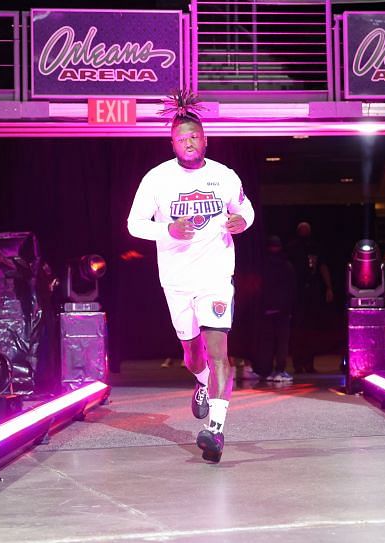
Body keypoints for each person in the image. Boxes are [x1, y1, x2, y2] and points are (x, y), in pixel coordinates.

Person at [127, 92, 254, 463]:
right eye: (181, 138)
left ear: (205, 139)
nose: (188, 142)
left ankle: (215, 430)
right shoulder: (157, 179)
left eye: (194, 136)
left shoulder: (224, 176)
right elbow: (134, 225)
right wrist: (168, 229)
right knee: (191, 355)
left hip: (216, 276)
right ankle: (201, 384)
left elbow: (245, 209)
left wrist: (242, 221)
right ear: (172, 143)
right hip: (177, 281)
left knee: (219, 353)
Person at [287, 221, 333, 373]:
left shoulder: (315, 246)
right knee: (298, 330)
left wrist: (329, 288)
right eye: (302, 229)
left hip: (312, 292)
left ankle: (309, 363)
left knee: (311, 329)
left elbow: (322, 266)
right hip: (296, 292)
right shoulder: (292, 247)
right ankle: (298, 363)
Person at [255, 235, 296, 383]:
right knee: (282, 342)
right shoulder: (286, 265)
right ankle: (279, 371)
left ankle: (267, 371)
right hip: (282, 310)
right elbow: (291, 289)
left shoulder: (262, 265)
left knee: (267, 342)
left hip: (266, 309)